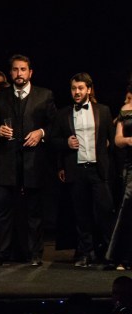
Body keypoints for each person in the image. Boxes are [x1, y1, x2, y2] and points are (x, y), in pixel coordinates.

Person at [0, 55, 57, 266]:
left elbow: (55, 125)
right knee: (4, 211)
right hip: (7, 161)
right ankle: (1, 253)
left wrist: (41, 132)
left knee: (34, 211)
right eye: (15, 69)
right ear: (10, 73)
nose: (19, 73)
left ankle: (35, 254)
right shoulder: (1, 97)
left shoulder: (44, 95)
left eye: (23, 69)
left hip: (33, 162)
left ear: (30, 72)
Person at [52, 72, 114, 268]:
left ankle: (109, 254)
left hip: (98, 169)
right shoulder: (63, 113)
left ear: (89, 89)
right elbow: (53, 140)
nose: (77, 92)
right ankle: (86, 254)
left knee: (105, 212)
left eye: (80, 88)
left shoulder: (103, 110)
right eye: (73, 88)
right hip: (76, 169)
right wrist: (66, 143)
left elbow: (111, 140)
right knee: (81, 214)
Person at [105, 97, 132, 270]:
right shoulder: (126, 109)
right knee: (127, 209)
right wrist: (129, 140)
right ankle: (122, 256)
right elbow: (117, 140)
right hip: (131, 166)